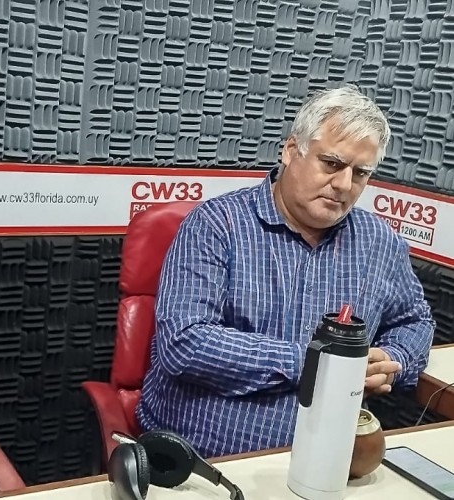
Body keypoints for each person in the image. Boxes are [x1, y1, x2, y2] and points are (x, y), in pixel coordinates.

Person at [135, 85, 435, 458]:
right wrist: (316, 364)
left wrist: (394, 359)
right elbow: (185, 343)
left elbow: (415, 321)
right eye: (332, 164)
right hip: (205, 457)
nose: (344, 185)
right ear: (292, 151)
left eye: (360, 173)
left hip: (329, 459)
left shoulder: (379, 242)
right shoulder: (215, 225)